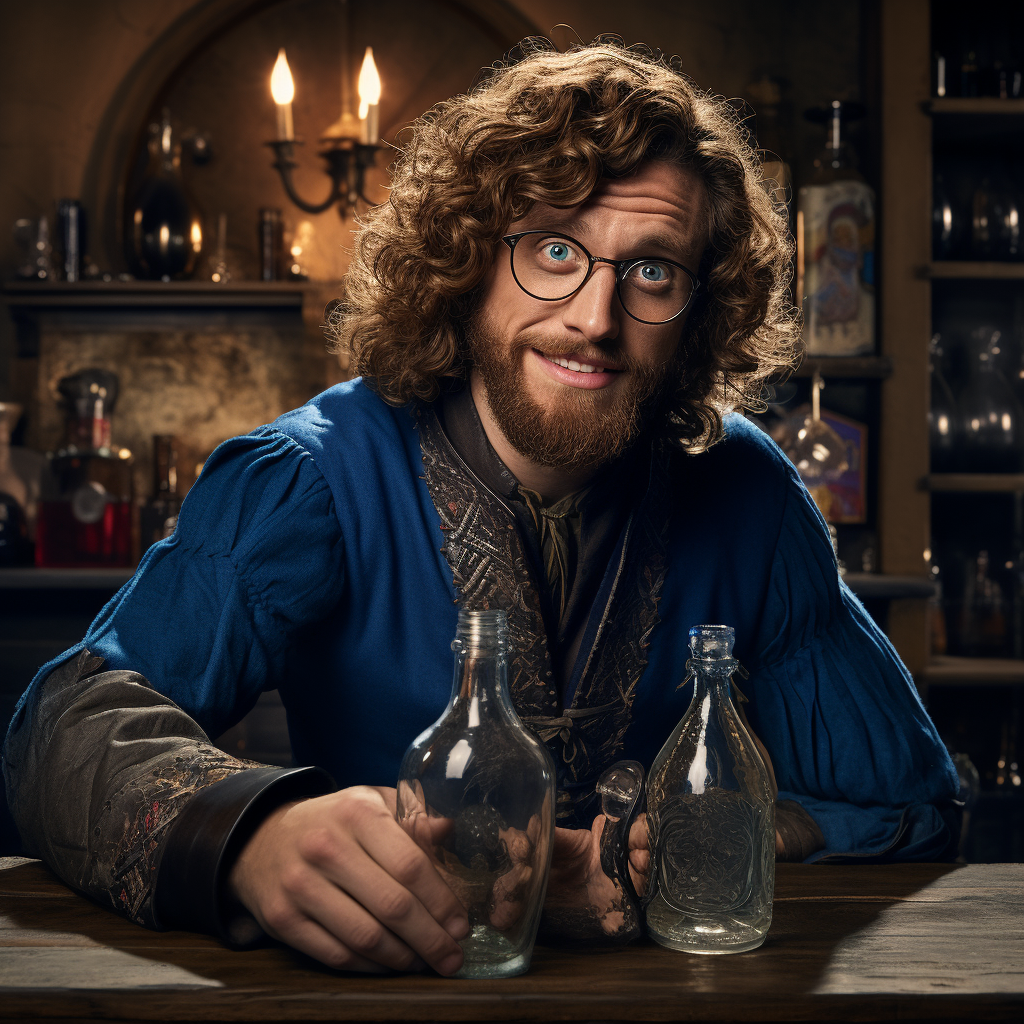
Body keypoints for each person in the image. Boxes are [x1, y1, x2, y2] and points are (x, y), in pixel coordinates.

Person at [3, 37, 958, 977]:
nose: (594, 317)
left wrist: (709, 835)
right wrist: (253, 833)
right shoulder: (307, 476)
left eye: (653, 271)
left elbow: (909, 804)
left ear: (700, 309)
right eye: (553, 248)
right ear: (466, 259)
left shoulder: (749, 491)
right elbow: (58, 732)